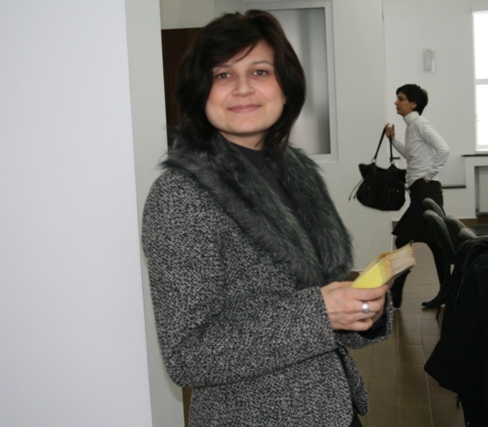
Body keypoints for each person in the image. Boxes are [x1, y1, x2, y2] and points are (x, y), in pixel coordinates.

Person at [141, 10, 392, 427]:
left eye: (260, 71)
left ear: (285, 88)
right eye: (223, 74)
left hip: (332, 406)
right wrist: (321, 312)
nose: (242, 88)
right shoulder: (181, 194)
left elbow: (315, 294)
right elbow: (188, 355)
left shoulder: (295, 170)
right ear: (201, 92)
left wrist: (361, 308)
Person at [384, 84, 450, 309]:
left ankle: (396, 292)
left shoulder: (420, 124)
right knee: (436, 244)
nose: (396, 103)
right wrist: (393, 141)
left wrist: (428, 176)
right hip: (421, 191)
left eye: (401, 99)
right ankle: (447, 293)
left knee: (403, 239)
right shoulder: (411, 126)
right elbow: (411, 156)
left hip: (426, 192)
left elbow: (443, 149)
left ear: (413, 104)